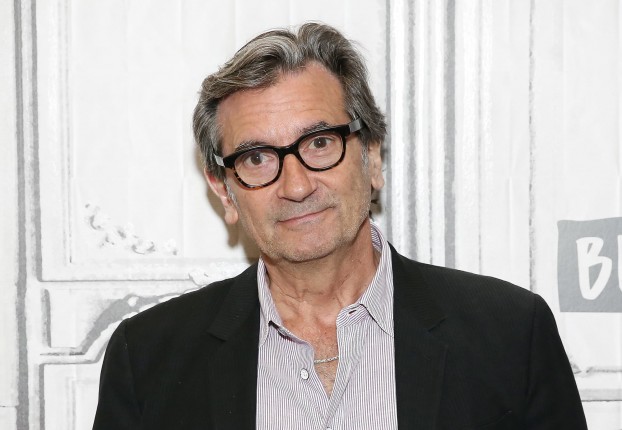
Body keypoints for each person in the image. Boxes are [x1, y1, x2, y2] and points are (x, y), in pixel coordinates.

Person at [92, 23, 587, 429]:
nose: (296, 185)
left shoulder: (510, 336)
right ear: (226, 191)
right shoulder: (148, 360)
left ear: (372, 157)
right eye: (257, 157)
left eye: (320, 143)